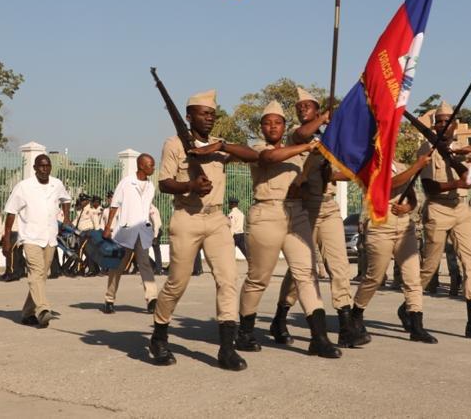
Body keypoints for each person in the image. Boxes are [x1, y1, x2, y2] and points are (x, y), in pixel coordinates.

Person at [150, 89, 258, 371]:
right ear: (189, 116)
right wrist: (190, 186)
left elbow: (253, 156)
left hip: (216, 220)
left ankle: (227, 348)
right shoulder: (174, 144)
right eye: (204, 113)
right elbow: (164, 183)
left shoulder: (218, 147)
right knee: (177, 283)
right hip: (187, 218)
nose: (210, 118)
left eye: (212, 114)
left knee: (228, 280)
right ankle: (159, 335)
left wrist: (221, 145)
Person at [236, 101, 340, 358]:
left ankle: (319, 337)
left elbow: (315, 178)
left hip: (297, 214)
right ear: (261, 127)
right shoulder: (258, 148)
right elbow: (270, 158)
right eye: (267, 122)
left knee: (307, 273)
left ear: (284, 126)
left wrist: (311, 173)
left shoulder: (302, 153)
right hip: (266, 213)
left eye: (277, 122)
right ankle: (245, 331)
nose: (272, 126)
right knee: (258, 278)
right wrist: (307, 146)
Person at [276, 87, 364, 348]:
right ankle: (280, 316)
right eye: (299, 106)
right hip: (304, 209)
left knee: (339, 266)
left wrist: (329, 165)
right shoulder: (296, 136)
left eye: (308, 106)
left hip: (328, 206)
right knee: (302, 269)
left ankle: (346, 324)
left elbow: (347, 172)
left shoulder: (330, 139)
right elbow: (303, 133)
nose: (303, 109)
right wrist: (325, 116)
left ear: (315, 108)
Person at [416, 102, 471, 340]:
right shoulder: (426, 148)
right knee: (430, 267)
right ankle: (411, 308)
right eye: (439, 122)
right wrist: (456, 183)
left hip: (460, 208)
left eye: (447, 122)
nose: (443, 126)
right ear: (434, 126)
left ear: (455, 126)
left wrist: (470, 159)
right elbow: (428, 185)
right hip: (438, 208)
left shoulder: (459, 151)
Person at [353, 154, 438, 344]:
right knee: (375, 277)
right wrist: (417, 166)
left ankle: (416, 326)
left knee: (413, 278)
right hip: (380, 226)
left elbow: (413, 198)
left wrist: (408, 207)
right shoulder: (369, 166)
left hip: (404, 228)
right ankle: (356, 314)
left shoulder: (400, 166)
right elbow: (389, 184)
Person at [2, 154, 71, 329]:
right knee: (36, 272)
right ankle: (42, 309)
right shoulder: (23, 187)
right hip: (30, 237)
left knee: (41, 277)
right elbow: (11, 212)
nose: (44, 169)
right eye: (41, 166)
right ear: (34, 168)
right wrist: (6, 238)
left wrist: (67, 218)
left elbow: (67, 199)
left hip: (50, 237)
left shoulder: (57, 184)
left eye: (47, 166)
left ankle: (27, 313)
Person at [102, 153, 159, 315]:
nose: (153, 168)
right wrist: (108, 226)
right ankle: (109, 299)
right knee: (118, 267)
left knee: (145, 264)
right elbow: (114, 205)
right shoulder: (126, 183)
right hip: (126, 232)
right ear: (141, 166)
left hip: (143, 232)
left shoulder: (151, 186)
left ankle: (152, 299)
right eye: (151, 165)